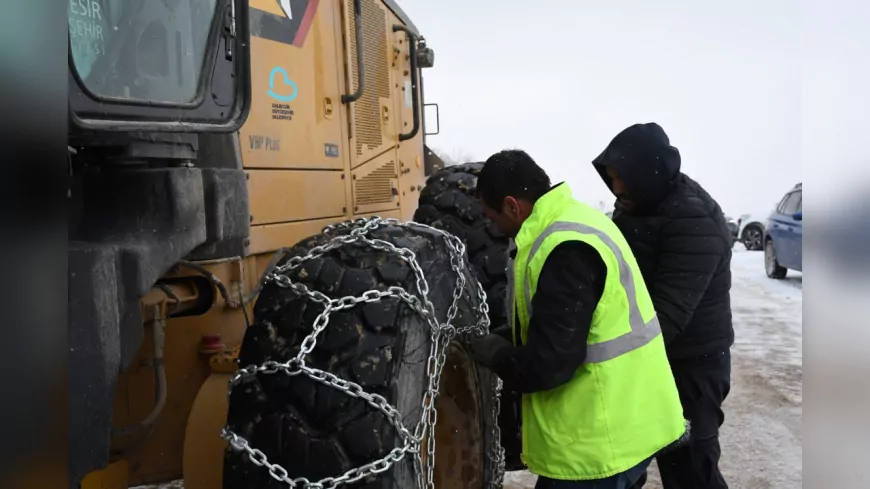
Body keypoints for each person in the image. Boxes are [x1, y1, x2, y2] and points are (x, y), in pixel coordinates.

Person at [469, 149, 688, 489]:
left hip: (600, 443)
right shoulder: (580, 220)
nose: (492, 227)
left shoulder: (564, 249)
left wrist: (497, 354)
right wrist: (512, 335)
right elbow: (580, 323)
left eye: (492, 217)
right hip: (629, 422)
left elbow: (550, 364)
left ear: (512, 205)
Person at [591, 123, 733, 489]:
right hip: (648, 354)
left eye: (622, 178)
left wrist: (595, 353)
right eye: (611, 178)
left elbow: (668, 314)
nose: (616, 188)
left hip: (692, 363)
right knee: (624, 457)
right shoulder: (635, 205)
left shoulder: (693, 219)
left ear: (646, 174)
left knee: (689, 466)